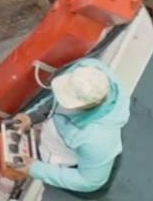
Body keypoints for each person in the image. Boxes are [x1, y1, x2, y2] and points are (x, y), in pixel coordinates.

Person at [10, 58, 130, 194]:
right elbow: (57, 96)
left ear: (85, 105)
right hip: (83, 150)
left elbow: (89, 182)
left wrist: (35, 169)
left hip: (82, 174)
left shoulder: (98, 141)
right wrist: (31, 116)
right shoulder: (86, 69)